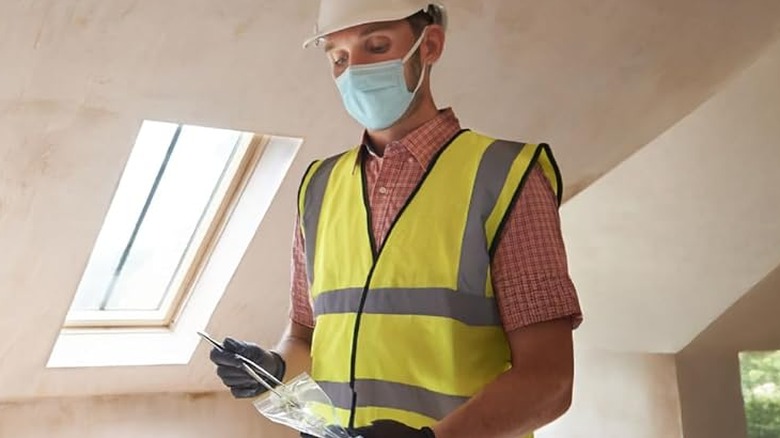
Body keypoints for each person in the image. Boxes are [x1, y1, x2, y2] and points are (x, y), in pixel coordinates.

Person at [210, 1, 583, 437]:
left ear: (430, 46)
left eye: (377, 45)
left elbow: (549, 381)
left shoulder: (505, 177)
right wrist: (272, 366)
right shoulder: (318, 186)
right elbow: (306, 338)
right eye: (339, 57)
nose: (355, 70)